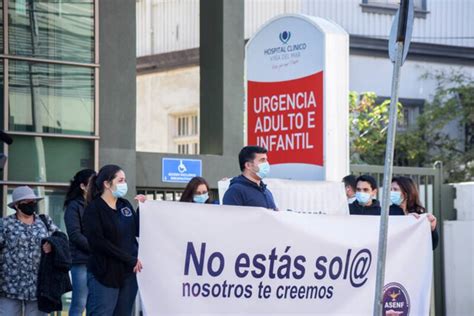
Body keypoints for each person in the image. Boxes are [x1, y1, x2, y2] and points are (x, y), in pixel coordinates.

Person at [83, 165, 142, 315]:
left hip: (128, 273)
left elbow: (137, 230)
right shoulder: (94, 209)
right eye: (120, 180)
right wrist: (129, 258)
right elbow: (99, 243)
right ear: (107, 184)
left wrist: (143, 209)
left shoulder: (125, 205)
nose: (124, 184)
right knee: (102, 312)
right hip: (104, 273)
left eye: (125, 180)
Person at [0, 186, 59, 316]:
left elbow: (60, 240)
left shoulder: (45, 221)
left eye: (33, 202)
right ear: (16, 205)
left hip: (38, 285)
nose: (31, 205)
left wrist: (52, 245)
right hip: (10, 285)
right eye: (26, 202)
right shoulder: (4, 224)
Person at [64, 169, 96, 316]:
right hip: (81, 261)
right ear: (82, 186)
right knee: (79, 303)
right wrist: (97, 248)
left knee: (94, 303)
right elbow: (75, 235)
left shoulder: (96, 204)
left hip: (97, 261)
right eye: (92, 182)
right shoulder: (73, 206)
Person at [390, 176, 439, 250]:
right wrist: (406, 220)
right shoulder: (388, 213)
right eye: (390, 189)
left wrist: (432, 228)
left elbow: (432, 245)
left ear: (406, 193)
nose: (391, 192)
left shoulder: (419, 213)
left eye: (395, 189)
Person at [223, 146, 276, 210]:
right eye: (262, 160)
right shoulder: (235, 191)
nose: (266, 163)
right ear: (248, 165)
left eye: (266, 160)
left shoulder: (266, 192)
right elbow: (232, 218)